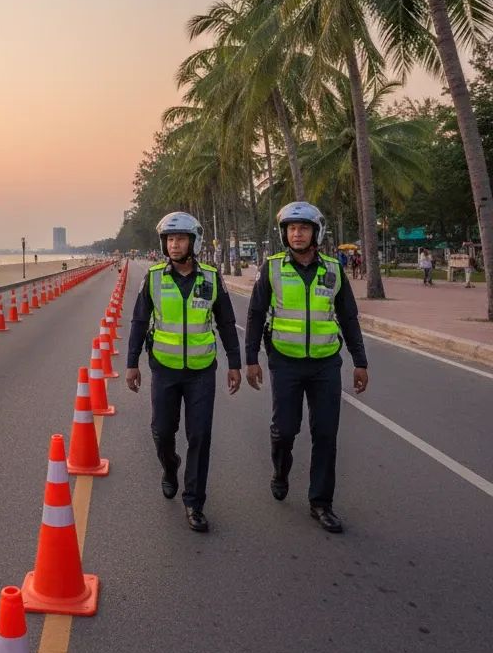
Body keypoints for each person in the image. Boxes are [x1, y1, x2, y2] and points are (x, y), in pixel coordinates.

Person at [245, 202, 369, 534]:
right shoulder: (271, 269)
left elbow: (349, 317)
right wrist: (251, 359)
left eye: (303, 228)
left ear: (316, 233)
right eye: (291, 228)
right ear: (285, 233)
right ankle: (281, 471)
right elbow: (256, 314)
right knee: (285, 430)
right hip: (285, 362)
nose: (297, 233)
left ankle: (321, 503)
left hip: (326, 364)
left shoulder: (333, 269)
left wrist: (360, 362)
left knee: (326, 433)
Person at [126, 211, 242, 533]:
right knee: (162, 432)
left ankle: (194, 502)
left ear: (193, 242)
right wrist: (131, 362)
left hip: (202, 372)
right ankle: (170, 465)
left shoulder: (211, 277)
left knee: (200, 436)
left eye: (180, 239)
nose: (174, 245)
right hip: (164, 369)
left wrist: (235, 363)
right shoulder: (153, 278)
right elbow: (138, 322)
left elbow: (227, 323)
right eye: (170, 239)